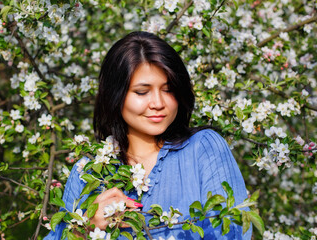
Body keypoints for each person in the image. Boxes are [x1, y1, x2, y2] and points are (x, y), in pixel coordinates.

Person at [45, 31, 251, 239]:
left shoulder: (204, 148)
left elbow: (234, 232)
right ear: (115, 96)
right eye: (142, 92)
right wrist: (85, 228)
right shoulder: (87, 172)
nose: (158, 103)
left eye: (169, 90)